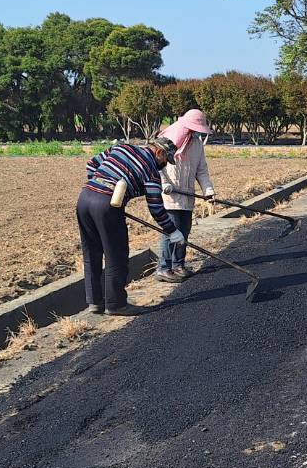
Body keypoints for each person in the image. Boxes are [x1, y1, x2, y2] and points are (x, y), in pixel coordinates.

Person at [76, 136, 184, 316]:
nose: (164, 165)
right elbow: (156, 209)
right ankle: (116, 304)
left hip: (84, 199)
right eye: (165, 160)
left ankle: (95, 302)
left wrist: (98, 185)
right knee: (116, 255)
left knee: (91, 253)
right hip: (106, 205)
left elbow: (91, 163)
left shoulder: (121, 148)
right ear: (159, 152)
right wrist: (173, 231)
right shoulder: (151, 171)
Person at [154, 108, 216, 283]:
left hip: (187, 195)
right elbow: (156, 165)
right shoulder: (167, 140)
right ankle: (163, 268)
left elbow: (201, 170)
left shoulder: (197, 144)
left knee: (184, 231)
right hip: (170, 196)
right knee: (170, 231)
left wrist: (208, 190)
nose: (195, 132)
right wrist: (164, 184)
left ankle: (178, 265)